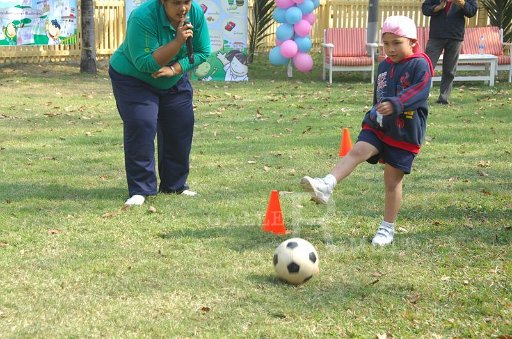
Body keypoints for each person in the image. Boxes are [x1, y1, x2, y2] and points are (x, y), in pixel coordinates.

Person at [301, 16, 434, 246]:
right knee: (357, 150)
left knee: (391, 182)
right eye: (386, 43)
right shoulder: (383, 65)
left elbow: (420, 90)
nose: (390, 49)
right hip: (379, 127)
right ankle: (326, 184)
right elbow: (379, 95)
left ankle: (387, 229)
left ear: (412, 41)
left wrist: (396, 104)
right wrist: (374, 114)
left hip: (405, 133)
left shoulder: (420, 64)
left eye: (397, 43)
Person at [109, 0, 211, 206]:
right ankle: (141, 189)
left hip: (172, 77)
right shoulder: (142, 17)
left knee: (181, 125)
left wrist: (175, 69)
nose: (183, 8)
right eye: (176, 3)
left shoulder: (195, 14)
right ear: (163, 2)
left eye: (187, 2)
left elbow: (202, 51)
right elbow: (145, 63)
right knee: (142, 124)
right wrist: (178, 41)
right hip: (134, 79)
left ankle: (175, 185)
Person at [422, 0, 477, 105]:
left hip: (455, 36)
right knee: (426, 67)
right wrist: (438, 7)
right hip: (436, 35)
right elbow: (425, 8)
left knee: (449, 70)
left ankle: (443, 99)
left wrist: (461, 3)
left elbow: (472, 11)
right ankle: (421, 96)